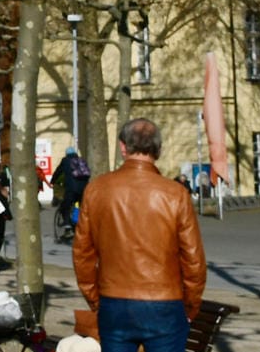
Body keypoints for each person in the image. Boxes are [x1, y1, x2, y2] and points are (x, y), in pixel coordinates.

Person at [73, 118, 207, 352]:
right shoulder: (175, 194)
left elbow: (82, 254)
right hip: (165, 303)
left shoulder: (97, 189)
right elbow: (193, 259)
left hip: (113, 301)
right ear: (159, 150)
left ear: (123, 147)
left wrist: (95, 299)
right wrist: (190, 306)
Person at [52, 146, 91, 237]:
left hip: (71, 189)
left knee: (65, 206)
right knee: (81, 207)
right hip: (83, 189)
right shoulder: (81, 160)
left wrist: (52, 181)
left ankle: (67, 226)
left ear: (66, 154)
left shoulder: (65, 161)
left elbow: (58, 171)